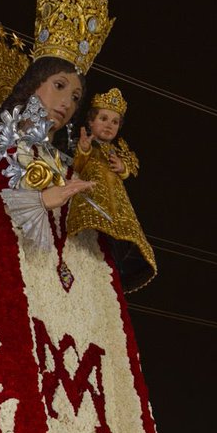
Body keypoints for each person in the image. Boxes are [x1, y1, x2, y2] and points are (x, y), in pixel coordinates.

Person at [67, 86, 156, 292]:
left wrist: (122, 168)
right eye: (104, 119)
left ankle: (114, 270)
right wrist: (84, 150)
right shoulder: (86, 143)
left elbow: (130, 170)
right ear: (91, 122)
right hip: (93, 197)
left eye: (115, 122)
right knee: (93, 239)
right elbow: (78, 165)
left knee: (120, 240)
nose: (109, 125)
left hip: (117, 203)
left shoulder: (117, 150)